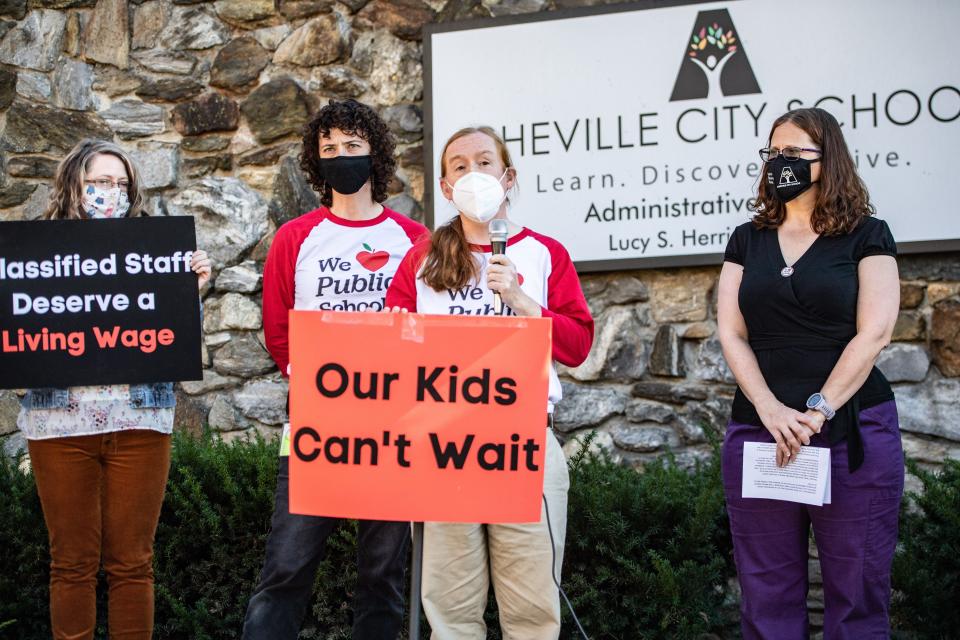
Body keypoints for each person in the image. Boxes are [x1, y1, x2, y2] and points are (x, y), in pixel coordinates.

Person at [385, 126, 594, 639]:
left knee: (531, 609)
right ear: (445, 185)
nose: (472, 173)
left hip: (523, 441)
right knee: (451, 611)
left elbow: (578, 346)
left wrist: (524, 304)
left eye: (484, 161)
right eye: (459, 165)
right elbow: (389, 343)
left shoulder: (544, 254)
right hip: (444, 443)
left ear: (508, 176)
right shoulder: (421, 258)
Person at [243, 99, 428, 639]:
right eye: (329, 149)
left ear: (375, 154)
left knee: (383, 576)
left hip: (394, 433)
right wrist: (319, 385)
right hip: (313, 429)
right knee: (285, 569)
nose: (341, 157)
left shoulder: (414, 240)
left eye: (352, 146)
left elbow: (426, 327)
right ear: (315, 161)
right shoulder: (296, 238)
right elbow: (279, 330)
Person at [716, 108, 903, 639]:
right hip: (763, 431)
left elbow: (876, 331)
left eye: (795, 153)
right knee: (766, 592)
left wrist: (818, 410)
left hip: (849, 430)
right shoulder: (746, 239)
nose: (782, 162)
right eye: (774, 152)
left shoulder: (868, 235)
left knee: (857, 592)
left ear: (829, 160)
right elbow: (731, 332)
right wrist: (772, 410)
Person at [18, 138, 212, 639]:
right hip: (58, 423)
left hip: (140, 419)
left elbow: (173, 339)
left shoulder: (154, 250)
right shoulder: (34, 252)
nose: (112, 192)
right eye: (100, 183)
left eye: (121, 184)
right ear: (74, 186)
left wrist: (189, 292)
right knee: (72, 564)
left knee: (132, 564)